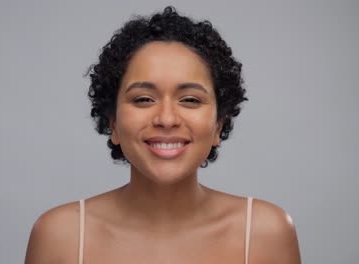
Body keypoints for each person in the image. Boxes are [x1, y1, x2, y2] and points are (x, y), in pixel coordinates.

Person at [25, 6, 301, 264]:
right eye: (144, 99)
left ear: (218, 125)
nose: (166, 119)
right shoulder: (60, 238)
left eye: (190, 100)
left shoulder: (265, 234)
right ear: (114, 124)